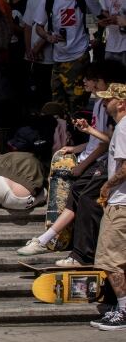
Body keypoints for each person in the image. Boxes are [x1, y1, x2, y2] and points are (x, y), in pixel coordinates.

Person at [17, 62, 120, 261]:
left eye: (91, 80)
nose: (85, 83)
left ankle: (78, 254)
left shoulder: (111, 110)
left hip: (102, 164)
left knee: (86, 200)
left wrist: (82, 163)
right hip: (96, 161)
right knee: (77, 195)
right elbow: (96, 141)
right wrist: (75, 148)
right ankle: (49, 240)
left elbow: (106, 142)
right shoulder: (101, 104)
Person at [89, 83, 126, 330]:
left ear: (121, 102)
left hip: (120, 203)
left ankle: (123, 311)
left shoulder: (123, 128)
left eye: (108, 99)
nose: (104, 103)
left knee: (111, 260)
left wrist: (107, 186)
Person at [35, 0, 96, 114]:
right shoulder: (49, 1)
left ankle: (77, 132)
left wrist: (94, 37)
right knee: (57, 102)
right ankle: (62, 132)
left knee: (77, 102)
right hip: (58, 58)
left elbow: (92, 20)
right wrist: (49, 37)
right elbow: (39, 26)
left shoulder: (83, 0)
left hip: (79, 57)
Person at [22, 0, 63, 112]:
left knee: (47, 90)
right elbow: (27, 25)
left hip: (49, 55)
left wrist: (38, 46)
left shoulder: (60, 0)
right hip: (31, 52)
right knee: (31, 89)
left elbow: (53, 28)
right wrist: (28, 49)